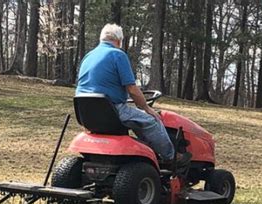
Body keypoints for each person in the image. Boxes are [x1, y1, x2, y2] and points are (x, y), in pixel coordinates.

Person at [76, 23, 190, 167]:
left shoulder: (88, 56)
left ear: (101, 39)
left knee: (138, 121)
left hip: (86, 114)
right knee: (151, 121)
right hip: (111, 111)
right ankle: (171, 157)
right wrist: (147, 109)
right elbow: (132, 89)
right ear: (119, 41)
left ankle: (150, 155)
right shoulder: (117, 55)